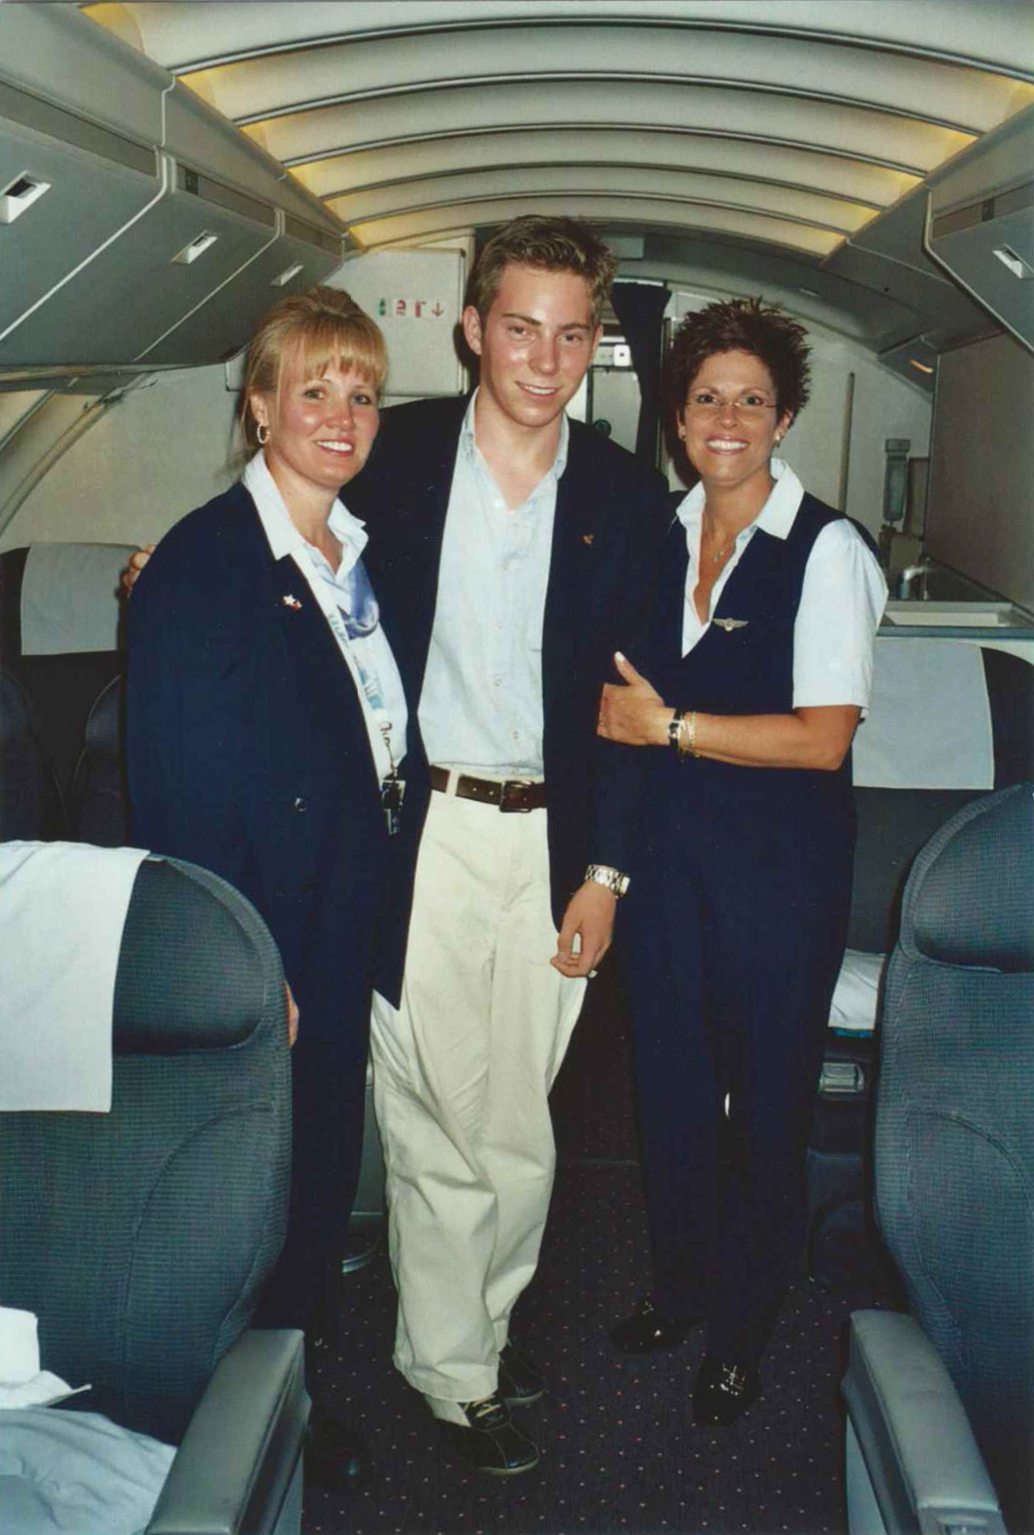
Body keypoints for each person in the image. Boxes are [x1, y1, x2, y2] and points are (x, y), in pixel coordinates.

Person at [342, 215, 670, 1475]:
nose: (542, 357)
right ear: (473, 326)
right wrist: (179, 566)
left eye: (570, 332)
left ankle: (471, 1324)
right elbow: (290, 544)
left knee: (516, 1117)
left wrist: (607, 873)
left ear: (594, 342)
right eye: (517, 326)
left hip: (551, 843)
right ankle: (452, 1367)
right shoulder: (397, 455)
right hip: (417, 825)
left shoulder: (624, 497)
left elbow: (636, 710)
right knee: (429, 1106)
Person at [124, 286, 429, 1485]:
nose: (341, 415)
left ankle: (285, 1393)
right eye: (313, 389)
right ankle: (228, 1417)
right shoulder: (204, 565)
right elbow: (181, 788)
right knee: (264, 1179)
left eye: (361, 392)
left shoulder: (352, 548)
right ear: (258, 408)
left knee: (314, 1167)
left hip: (340, 902)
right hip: (271, 928)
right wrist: (248, 962)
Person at [598, 298, 886, 1426]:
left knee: (764, 1103)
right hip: (669, 867)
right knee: (666, 1086)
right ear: (676, 417)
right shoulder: (653, 534)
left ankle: (743, 1323)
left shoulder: (827, 549)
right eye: (705, 397)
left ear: (782, 418)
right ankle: (678, 1287)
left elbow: (821, 737)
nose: (726, 418)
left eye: (749, 400)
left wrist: (668, 728)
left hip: (778, 872)